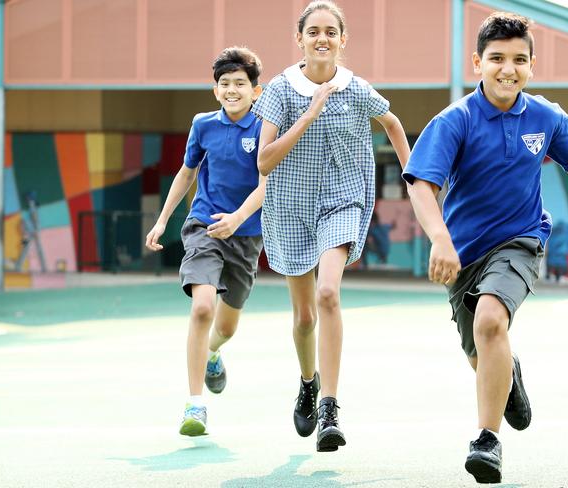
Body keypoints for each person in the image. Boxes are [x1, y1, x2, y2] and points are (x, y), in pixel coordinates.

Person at [403, 12, 568, 483]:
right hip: (461, 254)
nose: (508, 68)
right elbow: (420, 186)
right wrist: (440, 239)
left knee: (492, 320)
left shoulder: (548, 117)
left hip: (521, 240)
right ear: (478, 62)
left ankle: (487, 440)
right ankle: (508, 372)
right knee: (480, 348)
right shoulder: (454, 120)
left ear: (532, 65)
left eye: (519, 59)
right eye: (496, 58)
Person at [253, 1, 410, 452]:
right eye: (313, 31)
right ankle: (308, 381)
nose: (322, 38)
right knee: (304, 318)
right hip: (289, 210)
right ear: (299, 39)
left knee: (328, 293)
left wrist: (415, 179)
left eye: (331, 32)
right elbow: (263, 161)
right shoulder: (281, 91)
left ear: (343, 40)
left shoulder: (355, 88)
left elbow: (393, 123)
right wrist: (310, 112)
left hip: (342, 201)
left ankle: (330, 406)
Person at [145, 47, 266, 436]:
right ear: (215, 91)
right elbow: (186, 173)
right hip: (204, 226)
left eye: (240, 84)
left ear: (255, 91)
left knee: (226, 328)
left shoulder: (266, 126)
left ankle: (213, 352)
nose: (232, 90)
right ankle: (195, 405)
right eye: (224, 84)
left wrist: (238, 219)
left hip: (246, 234)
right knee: (201, 308)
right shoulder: (203, 125)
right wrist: (162, 221)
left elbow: (268, 184)